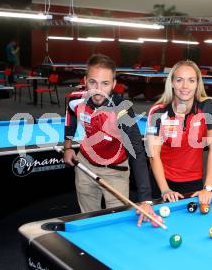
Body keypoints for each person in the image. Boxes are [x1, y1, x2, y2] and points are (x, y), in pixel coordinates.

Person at [64, 53, 154, 226]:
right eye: (93, 82)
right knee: (87, 222)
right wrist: (68, 146)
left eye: (105, 83)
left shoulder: (122, 110)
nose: (98, 89)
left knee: (117, 225)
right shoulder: (75, 99)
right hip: (85, 166)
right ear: (85, 80)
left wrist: (146, 200)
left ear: (113, 84)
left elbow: (137, 151)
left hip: (116, 172)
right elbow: (70, 117)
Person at [146, 60, 212, 204]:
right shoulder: (157, 111)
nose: (185, 86)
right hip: (160, 180)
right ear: (172, 83)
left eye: (191, 80)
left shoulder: (208, 107)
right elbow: (153, 155)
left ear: (197, 84)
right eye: (179, 80)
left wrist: (208, 188)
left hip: (192, 181)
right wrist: (165, 190)